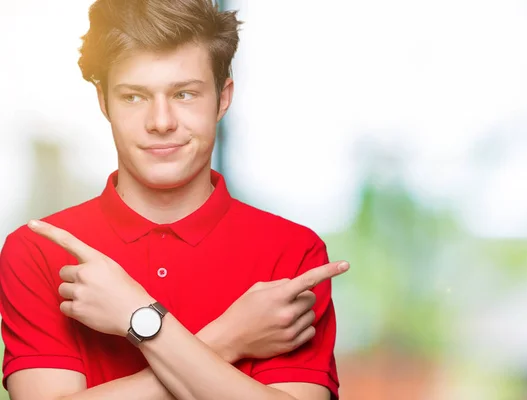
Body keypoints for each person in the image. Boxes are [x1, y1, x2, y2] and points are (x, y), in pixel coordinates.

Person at [0, 1, 349, 399]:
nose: (161, 122)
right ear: (103, 102)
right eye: (134, 97)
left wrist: (134, 314)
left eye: (184, 94)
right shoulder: (38, 250)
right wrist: (227, 338)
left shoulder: (291, 253)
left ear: (222, 98)